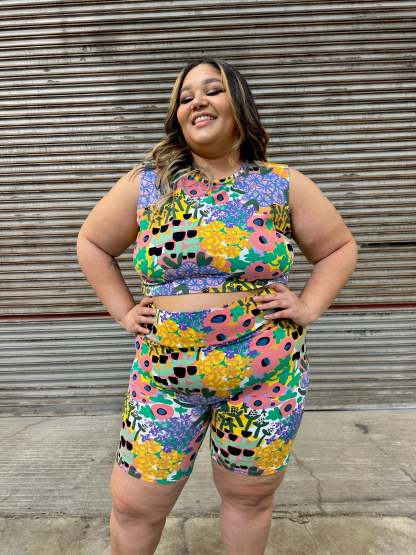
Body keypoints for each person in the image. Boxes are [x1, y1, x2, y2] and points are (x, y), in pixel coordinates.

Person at [77, 57, 358, 555]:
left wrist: (310, 306)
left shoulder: (280, 182)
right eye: (185, 97)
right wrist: (123, 311)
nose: (197, 102)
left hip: (266, 376)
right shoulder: (149, 183)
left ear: (239, 104)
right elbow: (93, 244)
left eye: (212, 90)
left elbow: (338, 248)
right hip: (165, 378)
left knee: (249, 499)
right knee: (134, 503)